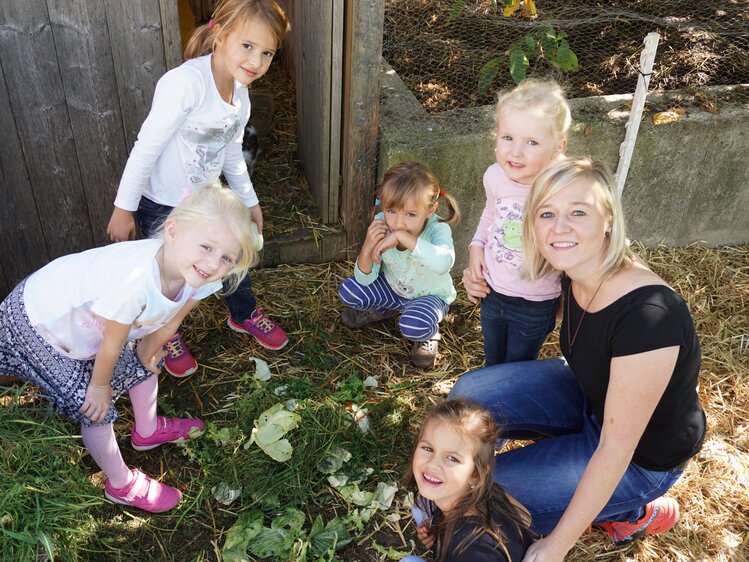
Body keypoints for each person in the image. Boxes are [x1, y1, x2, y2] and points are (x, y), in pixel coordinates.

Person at [452, 158, 706, 560]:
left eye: (578, 212)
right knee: (468, 398)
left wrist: (556, 545)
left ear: (608, 219)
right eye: (547, 213)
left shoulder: (649, 317)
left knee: (482, 494)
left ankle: (631, 509)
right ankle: (582, 482)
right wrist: (478, 276)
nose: (559, 227)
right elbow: (524, 301)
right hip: (593, 397)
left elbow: (616, 449)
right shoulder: (571, 269)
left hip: (637, 459)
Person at [0, 185, 260, 513]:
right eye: (206, 247)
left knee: (145, 362)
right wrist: (98, 386)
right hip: (40, 322)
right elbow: (112, 340)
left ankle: (147, 430)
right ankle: (120, 484)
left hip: (90, 325)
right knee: (94, 408)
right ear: (173, 231)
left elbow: (167, 325)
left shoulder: (201, 276)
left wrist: (147, 357)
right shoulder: (136, 279)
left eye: (226, 257)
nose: (213, 263)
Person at [106, 0, 290, 378]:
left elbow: (230, 154)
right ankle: (165, 331)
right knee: (170, 273)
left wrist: (249, 201)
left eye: (267, 52)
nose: (256, 61)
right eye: (247, 46)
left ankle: (243, 313)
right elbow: (147, 148)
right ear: (219, 34)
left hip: (208, 203)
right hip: (163, 204)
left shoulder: (239, 95)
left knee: (232, 256)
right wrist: (123, 208)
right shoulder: (185, 84)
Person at [464, 78, 570, 366]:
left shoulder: (561, 188)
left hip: (536, 301)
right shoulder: (495, 175)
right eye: (507, 137)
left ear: (558, 146)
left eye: (532, 142)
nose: (515, 151)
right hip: (493, 291)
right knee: (493, 357)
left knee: (518, 365)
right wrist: (476, 247)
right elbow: (490, 214)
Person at [338, 161, 460, 368]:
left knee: (412, 325)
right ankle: (386, 309)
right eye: (391, 211)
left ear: (430, 210)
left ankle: (429, 334)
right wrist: (368, 247)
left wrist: (404, 238)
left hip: (430, 296)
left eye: (411, 214)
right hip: (394, 288)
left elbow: (443, 263)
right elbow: (364, 277)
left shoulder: (437, 229)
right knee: (349, 292)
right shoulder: (381, 222)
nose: (398, 223)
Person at [401, 400, 536, 562]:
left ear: (476, 474)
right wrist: (440, 528)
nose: (433, 465)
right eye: (428, 448)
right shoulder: (486, 491)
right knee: (420, 505)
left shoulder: (471, 550)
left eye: (452, 458)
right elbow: (525, 518)